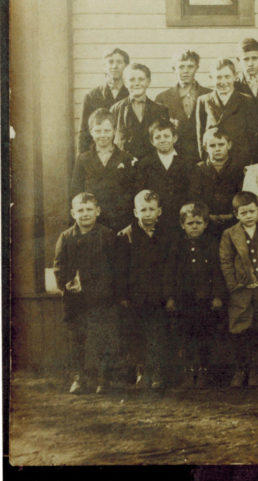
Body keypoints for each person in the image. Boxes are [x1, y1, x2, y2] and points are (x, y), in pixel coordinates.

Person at [53, 193, 118, 394]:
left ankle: (104, 379)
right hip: (75, 300)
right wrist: (66, 283)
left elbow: (114, 269)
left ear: (98, 211)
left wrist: (94, 289)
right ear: (73, 213)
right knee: (77, 339)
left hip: (101, 298)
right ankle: (80, 378)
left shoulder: (107, 236)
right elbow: (58, 265)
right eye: (80, 210)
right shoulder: (66, 237)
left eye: (89, 209)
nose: (85, 214)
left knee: (103, 338)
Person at [220, 192, 258, 388]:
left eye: (252, 211)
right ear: (236, 214)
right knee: (239, 329)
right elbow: (226, 262)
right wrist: (234, 285)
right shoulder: (229, 234)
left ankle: (255, 370)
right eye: (243, 212)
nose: (248, 216)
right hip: (241, 291)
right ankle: (241, 369)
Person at [116, 190, 173, 390]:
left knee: (157, 334)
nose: (147, 213)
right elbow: (120, 270)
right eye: (143, 210)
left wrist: (169, 295)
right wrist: (123, 296)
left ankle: (157, 373)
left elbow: (170, 267)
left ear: (159, 211)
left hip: (158, 296)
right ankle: (141, 373)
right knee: (136, 335)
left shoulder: (167, 235)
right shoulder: (126, 235)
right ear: (135, 212)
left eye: (151, 209)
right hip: (135, 296)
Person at [164, 203, 226, 388]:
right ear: (183, 225)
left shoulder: (212, 244)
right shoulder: (177, 245)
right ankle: (188, 372)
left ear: (206, 224)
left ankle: (204, 372)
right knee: (185, 337)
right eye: (190, 223)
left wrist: (217, 296)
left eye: (198, 222)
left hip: (205, 301)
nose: (194, 226)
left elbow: (217, 272)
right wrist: (170, 297)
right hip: (184, 301)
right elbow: (170, 273)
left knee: (205, 336)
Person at [70, 108, 134, 234]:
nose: (103, 135)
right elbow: (76, 191)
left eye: (107, 130)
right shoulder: (83, 159)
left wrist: (129, 224)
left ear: (114, 131)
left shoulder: (126, 158)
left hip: (119, 222)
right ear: (91, 132)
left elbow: (131, 192)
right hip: (92, 223)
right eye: (98, 131)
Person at [133, 119, 191, 235]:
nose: (162, 140)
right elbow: (140, 192)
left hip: (180, 217)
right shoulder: (144, 164)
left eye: (166, 136)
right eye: (158, 137)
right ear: (152, 141)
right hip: (155, 220)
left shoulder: (187, 162)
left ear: (174, 138)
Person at [196, 58, 257, 168]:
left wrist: (250, 163)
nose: (223, 82)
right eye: (218, 77)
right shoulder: (204, 100)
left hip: (240, 162)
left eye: (227, 76)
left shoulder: (246, 100)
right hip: (214, 163)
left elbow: (252, 136)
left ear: (235, 76)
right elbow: (200, 135)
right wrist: (205, 160)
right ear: (211, 78)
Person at [187, 128, 244, 241]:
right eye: (212, 146)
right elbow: (194, 197)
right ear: (205, 148)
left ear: (229, 145)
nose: (217, 149)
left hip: (233, 220)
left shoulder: (237, 168)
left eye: (221, 144)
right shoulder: (199, 169)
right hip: (206, 221)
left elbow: (241, 195)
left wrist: (232, 215)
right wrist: (207, 215)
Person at [154, 49, 210, 164]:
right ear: (174, 69)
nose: (186, 71)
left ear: (197, 68)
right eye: (181, 67)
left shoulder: (209, 95)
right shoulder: (162, 98)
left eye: (190, 67)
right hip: (174, 159)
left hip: (203, 158)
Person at [110, 63, 169, 162]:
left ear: (148, 82)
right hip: (124, 167)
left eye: (141, 79)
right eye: (132, 80)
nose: (137, 83)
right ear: (125, 83)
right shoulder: (116, 109)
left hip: (152, 167)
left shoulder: (160, 110)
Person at [78, 47, 130, 154]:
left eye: (119, 62)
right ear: (104, 67)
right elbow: (84, 132)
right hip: (98, 154)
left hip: (125, 154)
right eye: (110, 62)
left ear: (126, 66)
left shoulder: (131, 94)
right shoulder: (92, 96)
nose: (115, 66)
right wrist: (82, 159)